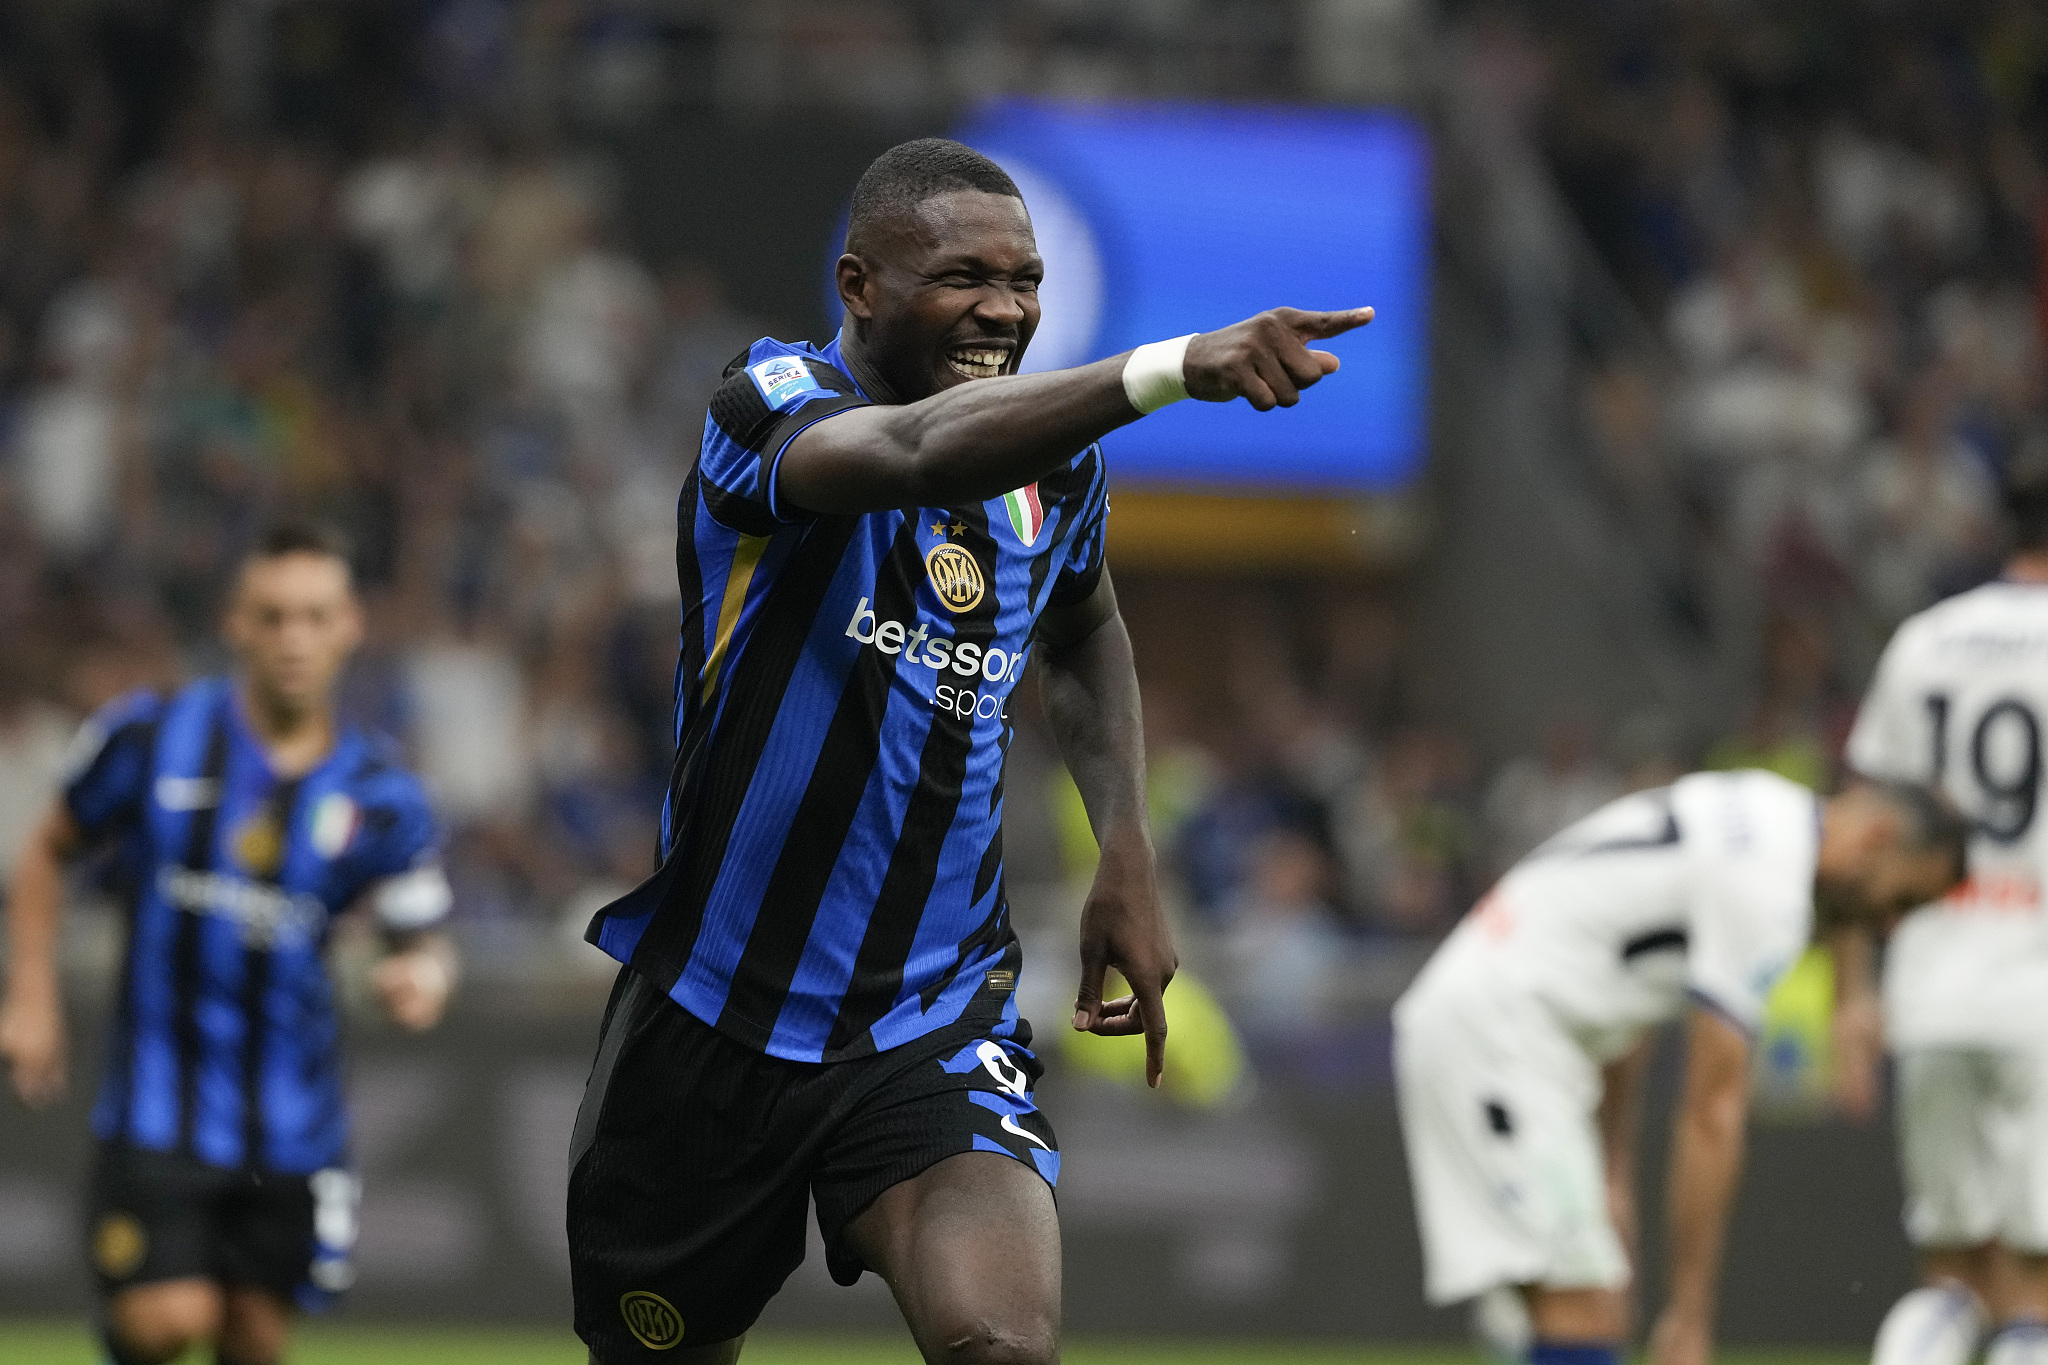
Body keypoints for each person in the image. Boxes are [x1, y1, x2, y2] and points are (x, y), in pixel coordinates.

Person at [567, 137, 1372, 1364]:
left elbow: (1087, 626)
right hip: (709, 1012)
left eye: (1025, 279)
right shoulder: (766, 404)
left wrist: (1127, 850)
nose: (1003, 309)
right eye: (960, 277)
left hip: (927, 1015)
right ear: (858, 287)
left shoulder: (1053, 479)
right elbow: (910, 453)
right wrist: (1170, 366)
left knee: (999, 1348)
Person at [0, 525, 458, 1365]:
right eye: (273, 617)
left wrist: (419, 975)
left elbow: (420, 933)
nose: (294, 640)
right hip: (157, 1105)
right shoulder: (150, 738)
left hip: (295, 1121)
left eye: (315, 617)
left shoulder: (383, 796)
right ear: (235, 624)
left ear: (351, 625)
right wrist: (30, 996)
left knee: (253, 1337)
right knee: (167, 1318)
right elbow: (46, 851)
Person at [1393, 771, 1967, 1365]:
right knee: (1584, 1307)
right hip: (1501, 1035)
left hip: (1504, 1020)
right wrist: (1689, 1317)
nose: (1890, 926)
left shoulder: (1766, 810)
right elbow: (1712, 1110)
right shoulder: (1767, 890)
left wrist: (1610, 1166)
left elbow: (1627, 983)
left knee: (1584, 1297)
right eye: (1903, 901)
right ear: (1875, 837)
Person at [1851, 458, 2048, 1365]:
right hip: (2039, 991)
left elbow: (1866, 834)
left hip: (1929, 979)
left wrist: (1858, 993)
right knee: (2036, 1290)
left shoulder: (1924, 641)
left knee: (1949, 1276)